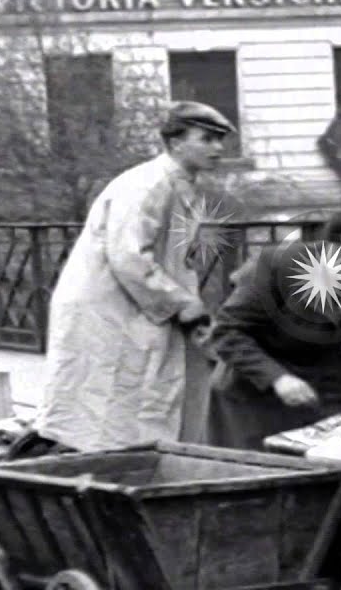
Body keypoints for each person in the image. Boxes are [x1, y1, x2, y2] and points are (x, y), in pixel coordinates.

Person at [31, 100, 235, 453]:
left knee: (134, 402)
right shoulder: (148, 184)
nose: (218, 148)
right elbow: (128, 255)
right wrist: (182, 304)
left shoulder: (178, 184)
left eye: (220, 140)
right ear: (176, 143)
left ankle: (136, 466)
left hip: (135, 305)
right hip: (110, 306)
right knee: (104, 408)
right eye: (207, 139)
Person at [203, 193, 341, 451]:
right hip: (253, 389)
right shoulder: (279, 265)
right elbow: (227, 331)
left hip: (324, 387)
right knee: (261, 466)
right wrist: (277, 378)